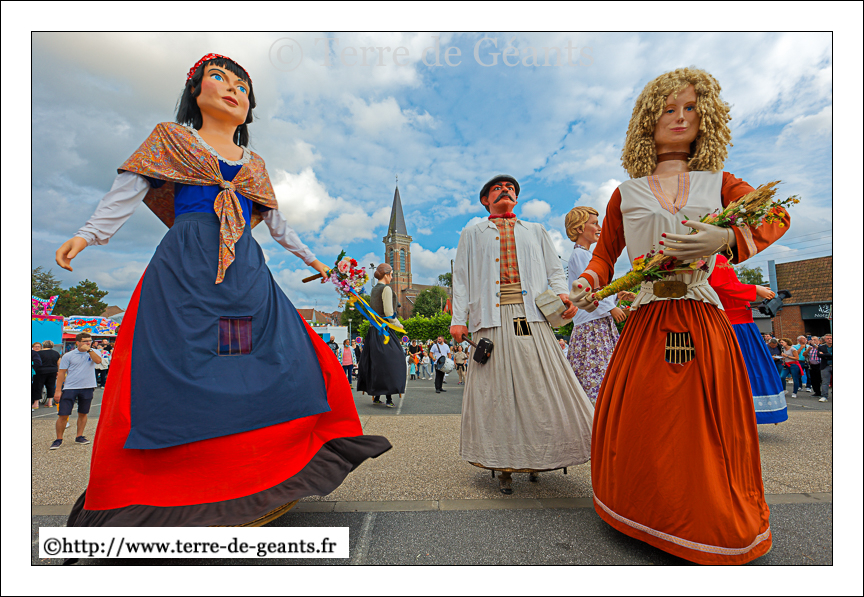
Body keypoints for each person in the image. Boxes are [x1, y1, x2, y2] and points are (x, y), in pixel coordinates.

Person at [54, 54, 390, 527]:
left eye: (243, 86)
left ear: (249, 107)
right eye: (219, 78)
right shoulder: (170, 139)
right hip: (185, 269)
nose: (234, 89)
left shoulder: (255, 164)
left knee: (269, 363)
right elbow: (126, 191)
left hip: (245, 275)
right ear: (195, 91)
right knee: (177, 370)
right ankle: (171, 490)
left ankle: (262, 474)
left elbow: (279, 225)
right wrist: (89, 234)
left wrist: (317, 264)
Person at [569, 68, 789, 564]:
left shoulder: (722, 182)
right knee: (648, 415)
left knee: (703, 419)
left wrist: (727, 237)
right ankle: (643, 511)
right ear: (648, 121)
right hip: (648, 315)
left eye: (690, 108)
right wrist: (587, 283)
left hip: (701, 312)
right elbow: (604, 255)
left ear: (705, 117)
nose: (680, 117)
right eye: (669, 109)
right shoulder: (627, 193)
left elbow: (776, 214)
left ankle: (703, 515)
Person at [451, 174, 594, 494]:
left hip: (532, 315)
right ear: (485, 200)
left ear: (516, 198)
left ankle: (540, 456)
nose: (505, 191)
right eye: (497, 188)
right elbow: (460, 278)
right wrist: (458, 319)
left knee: (540, 387)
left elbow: (554, 271)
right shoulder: (472, 233)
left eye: (511, 188)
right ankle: (503, 462)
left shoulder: (536, 230)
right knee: (497, 391)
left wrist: (564, 296)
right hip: (490, 317)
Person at [708, 255, 787, 424]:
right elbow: (720, 285)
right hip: (736, 324)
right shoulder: (717, 257)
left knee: (747, 370)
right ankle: (745, 415)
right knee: (749, 369)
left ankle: (745, 415)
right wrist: (755, 289)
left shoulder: (714, 258)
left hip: (739, 322)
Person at [563, 206, 629, 404]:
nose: (599, 228)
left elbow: (598, 288)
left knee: (599, 371)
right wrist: (610, 307)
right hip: (592, 324)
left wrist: (615, 297)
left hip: (596, 321)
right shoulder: (581, 255)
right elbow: (588, 288)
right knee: (599, 373)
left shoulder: (585, 255)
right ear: (579, 228)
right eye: (594, 224)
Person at [356, 263, 406, 408]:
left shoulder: (374, 289)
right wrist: (399, 325)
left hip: (372, 331)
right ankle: (389, 398)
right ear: (386, 274)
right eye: (391, 274)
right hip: (384, 331)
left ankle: (377, 396)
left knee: (377, 363)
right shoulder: (386, 289)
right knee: (393, 362)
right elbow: (389, 313)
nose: (392, 277)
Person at [50, 333, 101, 449]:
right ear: (78, 342)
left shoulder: (94, 352)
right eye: (85, 341)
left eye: (90, 340)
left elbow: (98, 361)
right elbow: (62, 373)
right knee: (63, 414)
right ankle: (58, 439)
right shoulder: (68, 355)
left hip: (87, 386)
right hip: (70, 387)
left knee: (83, 413)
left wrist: (89, 350)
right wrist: (58, 390)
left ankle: (79, 436)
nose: (88, 343)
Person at [33, 340, 62, 409]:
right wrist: (58, 371)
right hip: (52, 371)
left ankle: (36, 403)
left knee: (38, 387)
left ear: (43, 346)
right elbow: (59, 363)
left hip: (40, 371)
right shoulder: (56, 353)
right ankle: (50, 402)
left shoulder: (38, 353)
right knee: (51, 386)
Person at [817, 334, 832, 402]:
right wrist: (830, 354)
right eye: (828, 338)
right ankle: (824, 396)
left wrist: (825, 355)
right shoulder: (821, 347)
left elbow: (823, 355)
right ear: (825, 340)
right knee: (825, 382)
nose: (829, 340)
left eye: (831, 338)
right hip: (825, 366)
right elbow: (819, 355)